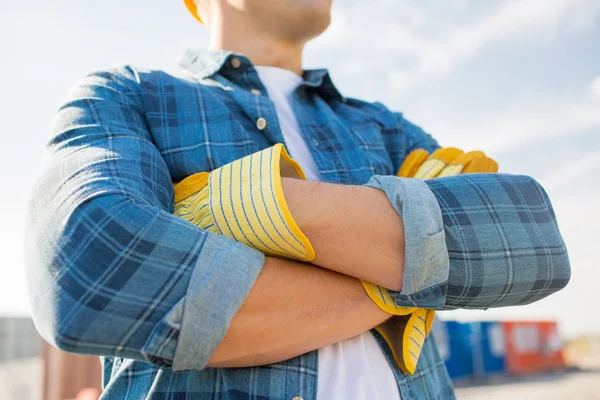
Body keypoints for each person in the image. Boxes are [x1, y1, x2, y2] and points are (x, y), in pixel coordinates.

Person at [24, 0, 571, 399]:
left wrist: (245, 205)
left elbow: (530, 242)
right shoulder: (128, 95)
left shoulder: (382, 126)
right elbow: (89, 271)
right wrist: (419, 274)